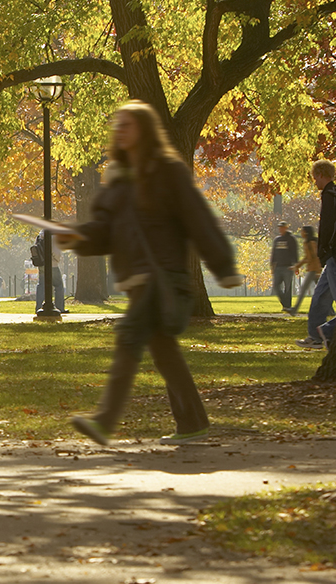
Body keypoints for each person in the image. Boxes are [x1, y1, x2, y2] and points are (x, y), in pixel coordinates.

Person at [58, 100, 241, 446]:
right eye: (118, 125)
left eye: (127, 124)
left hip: (161, 275)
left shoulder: (166, 172)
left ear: (144, 129)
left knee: (129, 336)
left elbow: (197, 218)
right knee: (163, 351)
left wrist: (223, 266)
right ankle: (193, 422)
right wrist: (77, 238)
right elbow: (104, 232)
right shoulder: (117, 181)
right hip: (136, 279)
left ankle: (104, 421)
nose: (120, 130)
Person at [297, 160, 336, 349]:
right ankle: (315, 336)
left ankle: (328, 331)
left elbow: (329, 226)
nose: (314, 180)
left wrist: (323, 250)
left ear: (322, 175)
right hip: (332, 255)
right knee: (321, 296)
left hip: (334, 255)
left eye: (315, 177)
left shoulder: (330, 195)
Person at [34, 229, 68, 312]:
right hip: (52, 264)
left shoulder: (40, 236)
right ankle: (60, 307)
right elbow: (56, 252)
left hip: (41, 264)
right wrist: (57, 260)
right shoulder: (54, 236)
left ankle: (38, 307)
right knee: (59, 285)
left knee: (41, 285)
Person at [290, 226, 321, 316]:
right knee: (321, 291)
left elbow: (315, 256)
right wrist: (297, 266)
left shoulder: (311, 243)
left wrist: (318, 270)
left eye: (302, 231)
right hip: (312, 268)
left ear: (306, 233)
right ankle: (330, 311)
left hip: (314, 270)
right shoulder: (306, 243)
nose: (301, 233)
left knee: (303, 289)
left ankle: (294, 310)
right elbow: (306, 257)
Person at [269, 221, 298, 313]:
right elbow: (274, 253)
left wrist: (296, 265)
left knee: (288, 287)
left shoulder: (291, 239)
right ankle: (285, 303)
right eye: (279, 227)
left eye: (282, 227)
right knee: (276, 286)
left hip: (288, 267)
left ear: (286, 228)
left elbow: (295, 253)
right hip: (278, 267)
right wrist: (272, 265)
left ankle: (287, 305)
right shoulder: (277, 240)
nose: (280, 229)